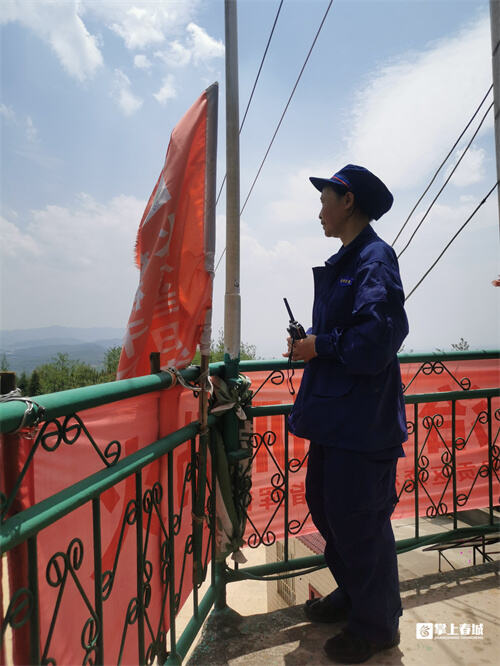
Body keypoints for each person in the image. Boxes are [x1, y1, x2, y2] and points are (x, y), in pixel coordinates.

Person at [284, 164, 409, 664]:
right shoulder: (349, 261)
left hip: (362, 422)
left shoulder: (375, 259)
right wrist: (311, 346)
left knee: (359, 520)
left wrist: (320, 345)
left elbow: (378, 339)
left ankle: (377, 627)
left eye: (325, 200)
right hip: (336, 418)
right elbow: (342, 337)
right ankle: (354, 594)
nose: (320, 211)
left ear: (348, 202)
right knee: (327, 508)